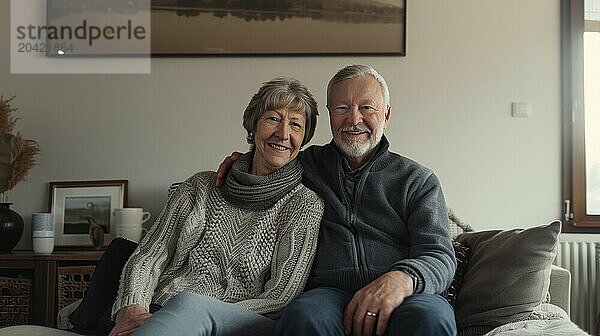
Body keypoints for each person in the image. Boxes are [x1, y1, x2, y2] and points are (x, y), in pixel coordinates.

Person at [68, 77, 324, 336]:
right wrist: (132, 309)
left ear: (303, 139)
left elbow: (281, 296)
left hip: (223, 325)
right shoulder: (199, 186)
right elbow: (150, 255)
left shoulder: (304, 205)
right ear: (253, 126)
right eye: (273, 119)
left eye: (295, 125)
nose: (283, 133)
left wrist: (204, 317)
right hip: (153, 311)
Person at [216, 65, 457, 336]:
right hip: (328, 294)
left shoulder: (416, 179)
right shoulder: (304, 166)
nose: (354, 120)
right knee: (303, 317)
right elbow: (267, 163)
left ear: (386, 115)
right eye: (342, 108)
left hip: (404, 295)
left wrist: (399, 280)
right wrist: (240, 163)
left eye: (367, 108)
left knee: (432, 320)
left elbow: (439, 256)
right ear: (330, 115)